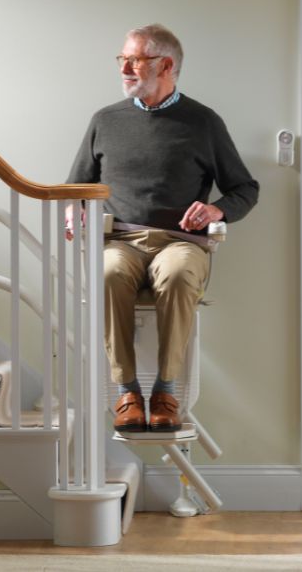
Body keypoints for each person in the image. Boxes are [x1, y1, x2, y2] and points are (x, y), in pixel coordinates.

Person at [66, 24, 259, 432]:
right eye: (123, 59)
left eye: (135, 59)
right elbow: (76, 187)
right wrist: (73, 209)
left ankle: (166, 393)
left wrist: (215, 211)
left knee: (176, 273)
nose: (125, 68)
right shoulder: (105, 120)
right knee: (107, 272)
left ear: (166, 65)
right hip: (120, 238)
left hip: (181, 242)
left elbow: (245, 188)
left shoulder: (203, 122)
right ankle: (127, 393)